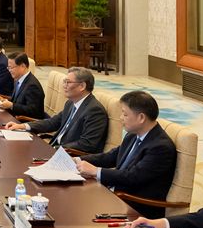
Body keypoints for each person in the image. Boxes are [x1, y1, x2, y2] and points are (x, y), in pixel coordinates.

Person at [75, 90, 176, 218]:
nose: (121, 118)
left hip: (135, 208)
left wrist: (96, 171)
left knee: (79, 209)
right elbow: (111, 156)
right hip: (115, 195)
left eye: (125, 114)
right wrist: (78, 159)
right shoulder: (133, 134)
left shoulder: (160, 147)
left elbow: (133, 177)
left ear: (141, 118)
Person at [6, 67, 107, 154]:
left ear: (82, 86)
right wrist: (24, 126)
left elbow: (87, 144)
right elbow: (53, 122)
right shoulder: (71, 103)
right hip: (56, 149)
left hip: (71, 157)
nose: (64, 85)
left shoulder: (94, 110)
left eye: (68, 82)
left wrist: (55, 149)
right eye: (64, 82)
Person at [0, 52, 45, 120]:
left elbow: (34, 111)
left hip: (23, 121)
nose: (9, 70)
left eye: (11, 67)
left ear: (23, 66)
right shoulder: (18, 79)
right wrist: (4, 100)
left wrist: (12, 105)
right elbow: (18, 100)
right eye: (8, 67)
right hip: (14, 117)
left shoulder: (32, 86)